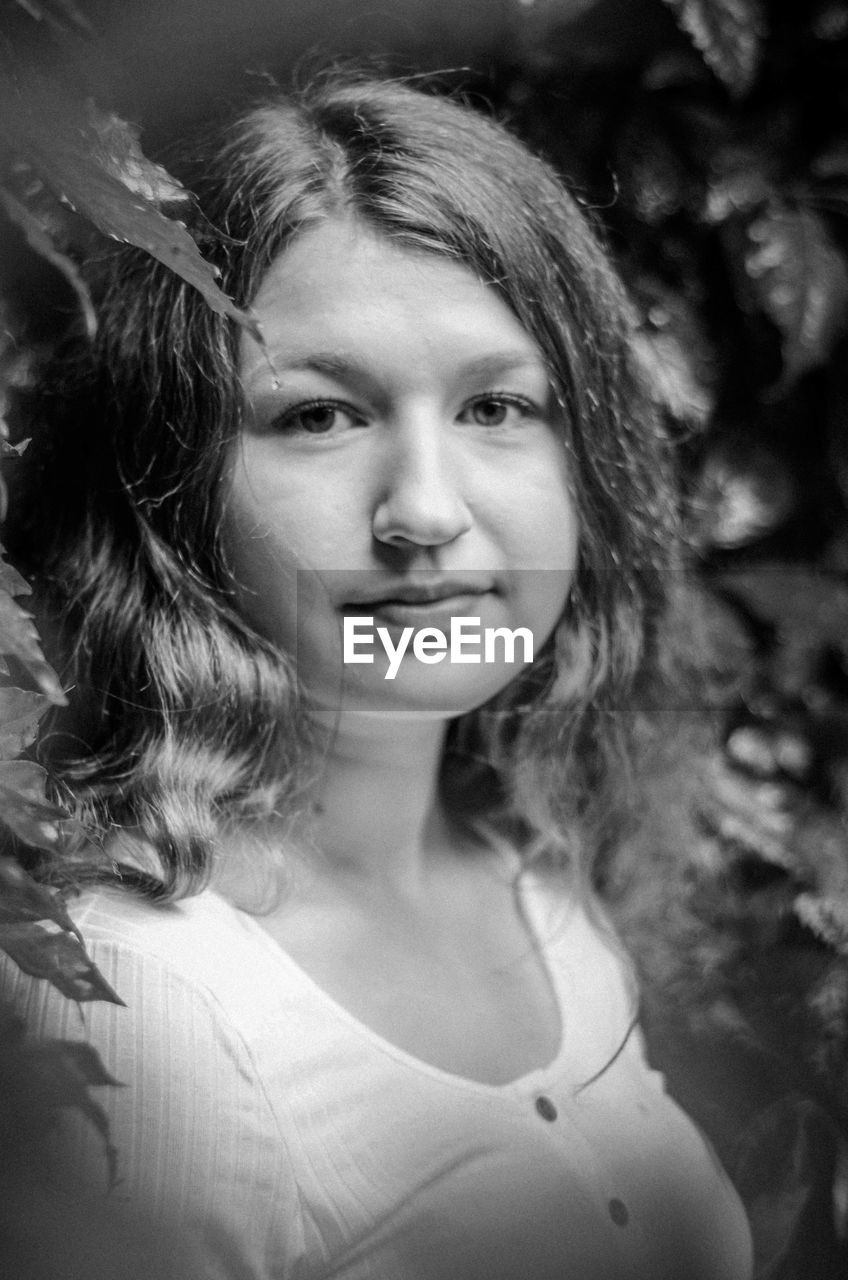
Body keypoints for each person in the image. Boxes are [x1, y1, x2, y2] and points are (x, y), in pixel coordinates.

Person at [0, 73, 753, 1279]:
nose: (424, 510)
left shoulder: (534, 860)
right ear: (172, 483)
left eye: (496, 405)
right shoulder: (138, 1001)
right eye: (317, 417)